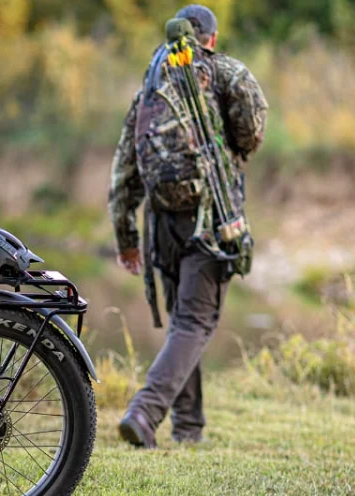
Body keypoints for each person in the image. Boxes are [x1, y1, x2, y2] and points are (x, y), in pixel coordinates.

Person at [107, 4, 268, 448]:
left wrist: (126, 237)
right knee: (195, 322)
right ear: (211, 40)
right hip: (212, 216)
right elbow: (252, 133)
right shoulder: (227, 72)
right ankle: (145, 411)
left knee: (184, 321)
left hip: (162, 225)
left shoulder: (150, 88)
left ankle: (188, 429)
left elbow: (125, 169)